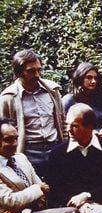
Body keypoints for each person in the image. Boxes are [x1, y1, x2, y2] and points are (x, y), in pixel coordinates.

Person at [0, 49, 66, 180]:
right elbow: (3, 132)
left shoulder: (52, 91)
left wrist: (65, 145)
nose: (37, 75)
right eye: (31, 71)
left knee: (58, 190)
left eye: (39, 70)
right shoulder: (8, 98)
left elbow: (62, 121)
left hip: (55, 149)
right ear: (19, 73)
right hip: (28, 153)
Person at [62, 62, 102, 147]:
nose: (93, 81)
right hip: (77, 145)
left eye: (95, 78)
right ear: (80, 78)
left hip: (101, 144)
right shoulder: (69, 100)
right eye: (89, 78)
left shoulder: (101, 98)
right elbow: (63, 127)